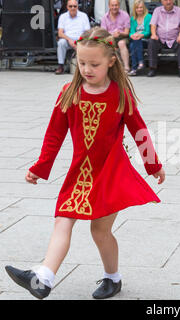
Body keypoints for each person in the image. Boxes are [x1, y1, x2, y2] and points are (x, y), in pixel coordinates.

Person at [4, 27, 165, 300]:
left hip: (110, 173)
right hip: (80, 172)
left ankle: (113, 279)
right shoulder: (70, 92)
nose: (86, 69)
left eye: (94, 64)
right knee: (63, 220)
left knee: (99, 230)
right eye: (81, 63)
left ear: (111, 61)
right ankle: (43, 278)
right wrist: (40, 167)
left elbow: (139, 130)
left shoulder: (119, 94)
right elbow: (54, 134)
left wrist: (153, 165)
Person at [147, 0, 180, 78]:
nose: (168, 2)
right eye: (166, 0)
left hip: (174, 39)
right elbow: (153, 24)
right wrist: (153, 34)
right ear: (162, 1)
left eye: (170, 0)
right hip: (160, 39)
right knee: (151, 41)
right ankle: (152, 68)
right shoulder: (157, 10)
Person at [55, 0, 90, 75]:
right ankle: (60, 66)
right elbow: (60, 33)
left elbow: (87, 33)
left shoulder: (83, 16)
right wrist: (70, 40)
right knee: (61, 42)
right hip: (68, 40)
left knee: (88, 42)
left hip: (81, 40)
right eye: (70, 6)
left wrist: (79, 42)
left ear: (78, 7)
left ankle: (85, 67)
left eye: (75, 6)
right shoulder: (63, 17)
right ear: (67, 7)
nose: (73, 8)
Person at [101, 0, 131, 73]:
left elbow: (127, 32)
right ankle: (110, 68)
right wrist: (112, 35)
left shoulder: (125, 15)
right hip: (110, 37)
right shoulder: (105, 17)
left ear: (119, 5)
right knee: (107, 43)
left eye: (116, 5)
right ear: (109, 6)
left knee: (121, 43)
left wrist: (120, 33)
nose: (114, 7)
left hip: (123, 37)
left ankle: (126, 67)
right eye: (112, 5)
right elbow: (103, 33)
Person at [128, 0, 152, 76]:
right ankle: (140, 63)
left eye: (141, 7)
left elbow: (148, 32)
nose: (139, 9)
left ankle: (135, 67)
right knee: (133, 44)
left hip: (145, 40)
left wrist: (140, 35)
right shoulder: (133, 19)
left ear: (144, 8)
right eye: (137, 8)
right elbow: (131, 31)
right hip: (136, 40)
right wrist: (132, 35)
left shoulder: (148, 17)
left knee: (134, 44)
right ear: (135, 9)